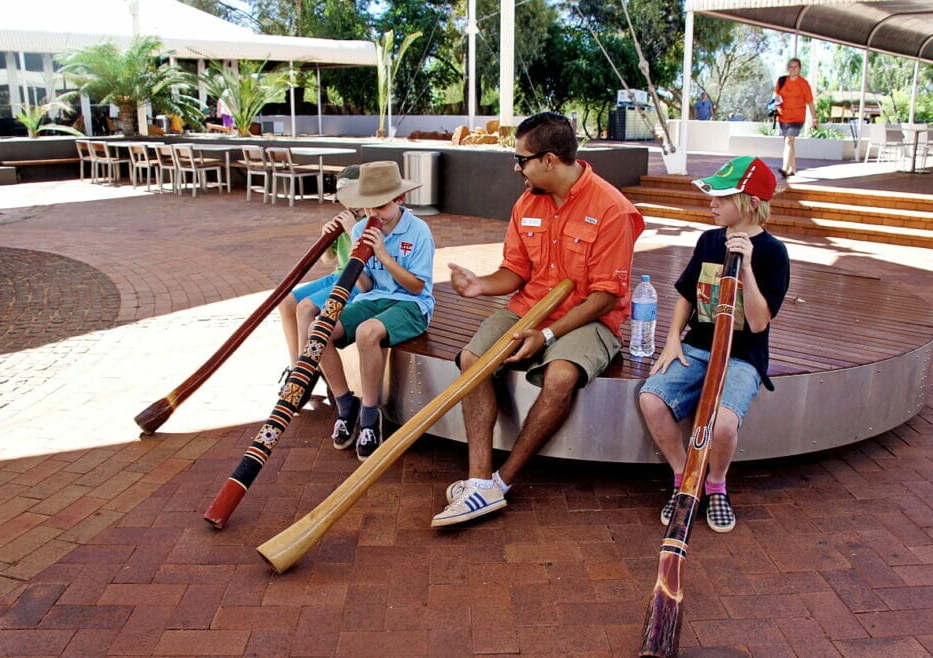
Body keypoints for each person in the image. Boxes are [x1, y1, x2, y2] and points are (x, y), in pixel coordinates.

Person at [432, 111, 645, 528]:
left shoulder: (612, 210)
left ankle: (502, 482)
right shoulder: (527, 202)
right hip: (527, 308)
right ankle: (477, 480)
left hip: (589, 319)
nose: (517, 168)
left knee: (562, 375)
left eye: (521, 159)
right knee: (473, 361)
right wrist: (480, 286)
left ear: (549, 160)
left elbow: (605, 297)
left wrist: (546, 334)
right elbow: (515, 272)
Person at [638, 156, 790, 533]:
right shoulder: (708, 240)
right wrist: (673, 339)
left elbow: (757, 322)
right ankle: (683, 478)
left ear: (751, 203)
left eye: (722, 197)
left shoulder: (773, 252)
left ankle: (715, 485)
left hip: (743, 355)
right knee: (651, 398)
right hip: (698, 346)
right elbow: (688, 296)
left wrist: (748, 267)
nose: (712, 203)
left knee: (722, 424)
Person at [319, 161, 435, 461]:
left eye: (380, 207)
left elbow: (416, 288)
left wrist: (382, 254)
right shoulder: (361, 228)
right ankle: (346, 404)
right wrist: (356, 254)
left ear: (400, 200)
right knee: (319, 330)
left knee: (367, 332)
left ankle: (370, 415)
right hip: (375, 298)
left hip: (412, 306)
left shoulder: (419, 231)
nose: (373, 215)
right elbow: (368, 287)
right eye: (367, 208)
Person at [276, 208, 358, 407]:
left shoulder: (367, 223)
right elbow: (328, 259)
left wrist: (353, 230)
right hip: (337, 275)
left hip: (356, 280)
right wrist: (327, 237)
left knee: (305, 308)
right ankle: (296, 365)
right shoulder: (345, 218)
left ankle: (305, 373)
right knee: (286, 301)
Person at [775, 58, 818, 178]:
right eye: (791, 67)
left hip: (797, 118)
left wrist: (814, 119)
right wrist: (776, 106)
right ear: (788, 68)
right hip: (783, 117)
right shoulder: (781, 81)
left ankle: (784, 168)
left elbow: (810, 102)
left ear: (800, 68)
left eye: (796, 67)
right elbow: (776, 96)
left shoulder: (804, 84)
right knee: (790, 143)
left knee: (789, 141)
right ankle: (793, 169)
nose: (793, 69)